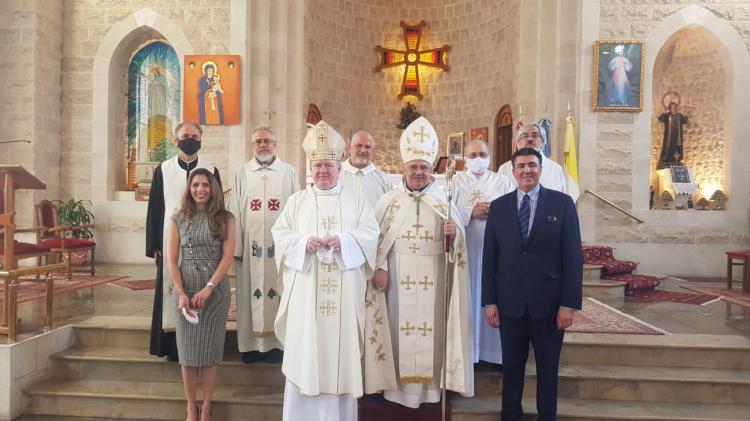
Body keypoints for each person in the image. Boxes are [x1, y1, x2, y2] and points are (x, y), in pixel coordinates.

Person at [272, 121, 380, 421]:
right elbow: (280, 235)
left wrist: (345, 241)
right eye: (317, 165)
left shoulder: (356, 200)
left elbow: (371, 234)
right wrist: (304, 244)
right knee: (306, 355)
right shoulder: (297, 201)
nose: (322, 171)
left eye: (328, 165)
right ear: (310, 167)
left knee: (339, 359)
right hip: (307, 295)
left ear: (338, 167)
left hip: (344, 297)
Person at [370, 116, 473, 408]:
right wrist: (381, 267)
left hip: (434, 276)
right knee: (395, 334)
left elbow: (459, 254)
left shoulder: (444, 201)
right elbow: (376, 239)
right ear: (403, 168)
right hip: (397, 280)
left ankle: (430, 391)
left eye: (424, 168)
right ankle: (394, 389)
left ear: (432, 171)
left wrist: (455, 237)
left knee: (431, 333)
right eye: (413, 167)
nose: (418, 172)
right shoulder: (389, 201)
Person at [482, 148, 583, 421]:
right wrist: (490, 301)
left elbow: (573, 256)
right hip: (509, 302)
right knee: (511, 367)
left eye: (533, 165)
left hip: (549, 305)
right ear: (513, 171)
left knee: (547, 369)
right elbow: (490, 257)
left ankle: (546, 417)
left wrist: (569, 304)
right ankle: (510, 416)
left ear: (541, 169)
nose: (527, 170)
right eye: (521, 166)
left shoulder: (562, 204)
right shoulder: (499, 206)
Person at [146, 122, 221, 362]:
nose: (190, 139)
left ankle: (199, 343)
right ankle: (170, 346)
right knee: (172, 291)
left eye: (195, 136)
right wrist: (154, 245)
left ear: (201, 139)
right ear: (175, 139)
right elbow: (155, 208)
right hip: (170, 240)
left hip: (203, 242)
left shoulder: (210, 168)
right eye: (185, 136)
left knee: (197, 287)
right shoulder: (164, 169)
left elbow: (218, 206)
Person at [166, 168, 234, 421]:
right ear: (189, 188)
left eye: (205, 185)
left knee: (210, 353)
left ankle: (206, 406)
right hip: (186, 292)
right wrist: (181, 292)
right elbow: (172, 260)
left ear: (213, 188)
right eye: (195, 185)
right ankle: (190, 406)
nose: (200, 189)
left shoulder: (226, 218)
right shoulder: (178, 218)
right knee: (188, 354)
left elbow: (228, 258)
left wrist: (209, 288)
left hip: (214, 292)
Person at [228, 126, 299, 364]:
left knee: (279, 293)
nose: (263, 145)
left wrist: (294, 247)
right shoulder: (242, 173)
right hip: (250, 250)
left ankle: (277, 345)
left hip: (280, 252)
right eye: (258, 141)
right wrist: (236, 248)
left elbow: (297, 211)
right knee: (249, 293)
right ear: (252, 146)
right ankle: (250, 347)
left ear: (275, 144)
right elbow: (235, 212)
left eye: (268, 141)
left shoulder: (288, 172)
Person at [453, 140, 514, 365]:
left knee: (493, 298)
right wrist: (470, 212)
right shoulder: (454, 181)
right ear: (465, 158)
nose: (477, 159)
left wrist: (495, 212)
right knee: (467, 297)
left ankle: (493, 355)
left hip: (496, 252)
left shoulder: (503, 181)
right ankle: (467, 355)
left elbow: (514, 208)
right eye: (472, 154)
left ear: (490, 156)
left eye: (482, 154)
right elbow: (444, 211)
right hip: (465, 250)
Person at [497, 123, 567, 194]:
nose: (530, 139)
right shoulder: (504, 169)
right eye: (525, 136)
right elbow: (499, 198)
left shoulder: (555, 169)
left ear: (543, 141)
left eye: (535, 136)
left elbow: (562, 200)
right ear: (517, 142)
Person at [340, 130, 392, 207]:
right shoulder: (337, 174)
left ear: (373, 150)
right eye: (359, 146)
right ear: (350, 147)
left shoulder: (383, 179)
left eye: (367, 147)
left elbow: (389, 209)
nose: (363, 150)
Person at [657, 102, 689, 169]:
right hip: (669, 135)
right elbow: (661, 119)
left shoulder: (679, 115)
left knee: (677, 147)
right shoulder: (667, 115)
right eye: (672, 106)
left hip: (677, 135)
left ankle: (677, 160)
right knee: (668, 146)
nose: (673, 107)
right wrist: (664, 113)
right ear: (670, 107)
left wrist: (686, 115)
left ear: (676, 107)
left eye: (674, 106)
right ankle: (667, 159)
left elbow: (685, 121)